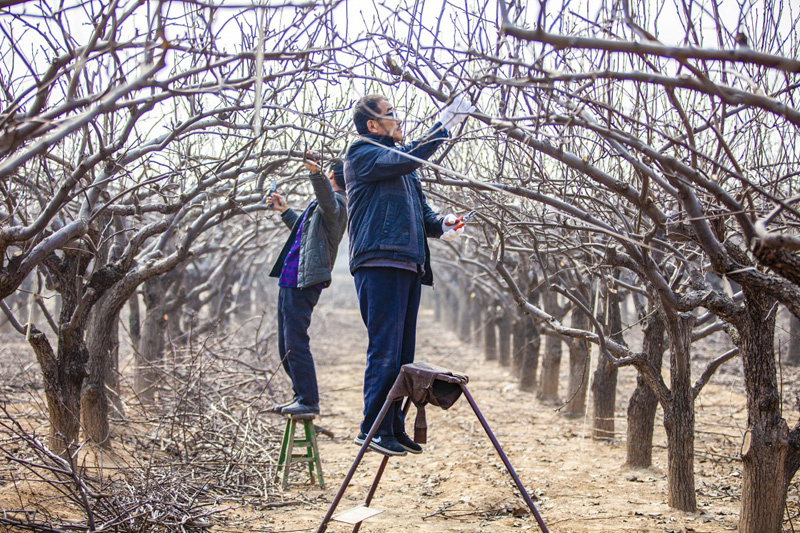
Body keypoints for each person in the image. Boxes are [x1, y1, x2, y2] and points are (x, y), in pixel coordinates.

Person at [344, 93, 473, 456]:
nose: (399, 119)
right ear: (373, 125)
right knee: (385, 349)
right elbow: (407, 157)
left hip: (408, 261)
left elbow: (422, 213)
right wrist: (443, 126)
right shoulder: (363, 153)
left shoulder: (402, 167)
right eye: (391, 114)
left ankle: (392, 424)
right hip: (380, 260)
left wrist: (443, 224)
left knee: (403, 355)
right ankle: (372, 428)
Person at [268, 155, 348, 416]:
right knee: (285, 344)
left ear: (331, 175)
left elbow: (327, 201)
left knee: (295, 341)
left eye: (326, 173)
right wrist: (285, 211)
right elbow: (305, 235)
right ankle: (300, 394)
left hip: (303, 280)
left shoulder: (338, 203)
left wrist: (315, 173)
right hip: (290, 277)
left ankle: (309, 400)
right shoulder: (325, 207)